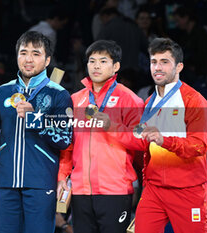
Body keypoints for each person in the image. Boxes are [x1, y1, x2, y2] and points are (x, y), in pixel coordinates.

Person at [57, 40, 144, 233]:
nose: (96, 66)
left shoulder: (130, 99)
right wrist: (62, 176)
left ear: (116, 66)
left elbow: (141, 140)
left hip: (114, 190)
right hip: (80, 190)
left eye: (103, 61)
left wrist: (111, 126)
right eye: (92, 61)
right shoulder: (75, 99)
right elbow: (67, 144)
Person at [0, 31, 73, 233]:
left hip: (40, 182)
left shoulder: (59, 94)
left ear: (47, 60)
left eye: (36, 54)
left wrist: (35, 117)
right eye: (23, 52)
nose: (28, 59)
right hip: (5, 182)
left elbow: (64, 139)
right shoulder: (2, 91)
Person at [134, 37, 207, 233]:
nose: (157, 68)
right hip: (154, 188)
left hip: (187, 189)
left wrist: (163, 140)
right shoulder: (150, 101)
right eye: (154, 62)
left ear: (179, 67)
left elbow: (198, 146)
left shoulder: (195, 101)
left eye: (164, 62)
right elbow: (140, 139)